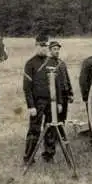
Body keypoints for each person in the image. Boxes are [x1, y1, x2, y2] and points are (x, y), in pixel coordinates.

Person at [22, 34, 63, 166]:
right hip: (37, 102)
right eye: (41, 46)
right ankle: (28, 158)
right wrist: (31, 106)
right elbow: (27, 88)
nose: (44, 48)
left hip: (51, 102)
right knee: (34, 130)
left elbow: (58, 85)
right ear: (36, 46)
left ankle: (49, 155)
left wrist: (60, 102)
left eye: (45, 46)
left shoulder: (52, 62)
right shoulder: (30, 64)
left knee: (51, 129)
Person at [48, 41, 73, 136]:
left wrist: (70, 93)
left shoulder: (62, 63)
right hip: (54, 94)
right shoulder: (48, 63)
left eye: (58, 49)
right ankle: (53, 136)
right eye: (54, 49)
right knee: (55, 116)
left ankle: (61, 135)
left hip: (64, 93)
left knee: (63, 115)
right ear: (50, 50)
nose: (57, 51)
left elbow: (67, 78)